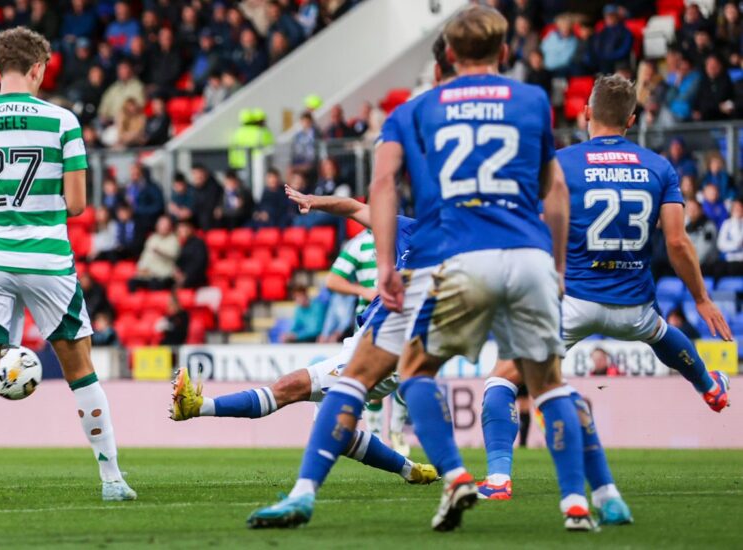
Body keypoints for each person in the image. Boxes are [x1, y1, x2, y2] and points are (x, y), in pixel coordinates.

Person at [248, 8, 592, 532]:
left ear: (447, 58)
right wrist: (560, 267)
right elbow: (557, 192)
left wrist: (386, 264)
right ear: (503, 53)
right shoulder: (533, 101)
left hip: (446, 257)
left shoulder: (416, 110)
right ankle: (576, 506)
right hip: (526, 257)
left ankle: (306, 494)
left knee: (368, 375)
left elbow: (382, 188)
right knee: (547, 385)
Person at [478, 76, 732, 514]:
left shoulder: (560, 163)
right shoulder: (658, 168)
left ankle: (499, 478)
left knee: (502, 379)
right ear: (632, 120)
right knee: (659, 331)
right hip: (634, 306)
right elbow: (676, 244)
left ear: (586, 113)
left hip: (572, 302)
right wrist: (703, 299)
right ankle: (710, 388)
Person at [0, 27, 135, 504]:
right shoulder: (62, 121)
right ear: (38, 69)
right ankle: (112, 479)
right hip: (47, 257)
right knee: (81, 371)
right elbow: (76, 205)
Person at [171, 191, 439, 486]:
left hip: (389, 347)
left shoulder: (452, 254)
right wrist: (313, 200)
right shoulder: (403, 228)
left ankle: (199, 406)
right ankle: (409, 470)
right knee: (337, 432)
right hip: (366, 337)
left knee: (291, 386)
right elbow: (353, 207)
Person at [129, 215, 180, 291]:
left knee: (156, 284)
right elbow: (145, 256)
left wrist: (161, 252)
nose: (164, 227)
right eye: (161, 224)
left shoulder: (174, 239)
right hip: (148, 275)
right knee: (132, 282)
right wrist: (141, 268)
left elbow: (173, 256)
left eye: (166, 225)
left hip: (163, 276)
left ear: (170, 226)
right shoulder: (152, 238)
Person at [595, 4, 633, 74]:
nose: (609, 18)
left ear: (616, 16)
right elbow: (598, 48)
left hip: (620, 62)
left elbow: (625, 49)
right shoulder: (602, 32)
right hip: (606, 62)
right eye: (607, 15)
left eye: (611, 15)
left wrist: (612, 56)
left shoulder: (624, 31)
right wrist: (604, 57)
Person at [174, 220, 208, 289]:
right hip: (182, 277)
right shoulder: (178, 245)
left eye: (185, 228)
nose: (182, 231)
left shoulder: (198, 243)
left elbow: (199, 262)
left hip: (195, 278)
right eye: (180, 229)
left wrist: (186, 275)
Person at [717, 199, 743, 273]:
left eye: (740, 207)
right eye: (735, 208)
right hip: (728, 260)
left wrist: (737, 221)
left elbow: (739, 241)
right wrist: (735, 246)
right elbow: (721, 245)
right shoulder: (726, 223)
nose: (738, 210)